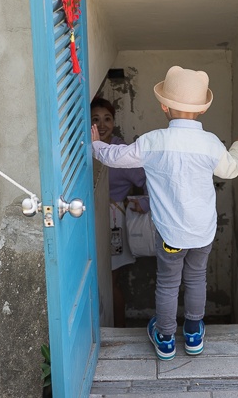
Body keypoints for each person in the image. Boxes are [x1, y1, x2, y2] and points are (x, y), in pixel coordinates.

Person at [91, 66, 238, 360]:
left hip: (170, 234)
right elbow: (231, 168)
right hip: (203, 232)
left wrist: (96, 144)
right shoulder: (210, 143)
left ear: (164, 106)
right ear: (201, 110)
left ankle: (165, 337)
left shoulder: (153, 142)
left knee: (168, 282)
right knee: (196, 279)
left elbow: (116, 157)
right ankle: (193, 334)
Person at [90, 97, 148, 327]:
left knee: (110, 280)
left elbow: (147, 181)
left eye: (107, 119)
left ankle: (118, 331)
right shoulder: (81, 149)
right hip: (86, 220)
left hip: (114, 221)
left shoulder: (121, 151)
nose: (102, 125)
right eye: (96, 120)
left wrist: (145, 204)